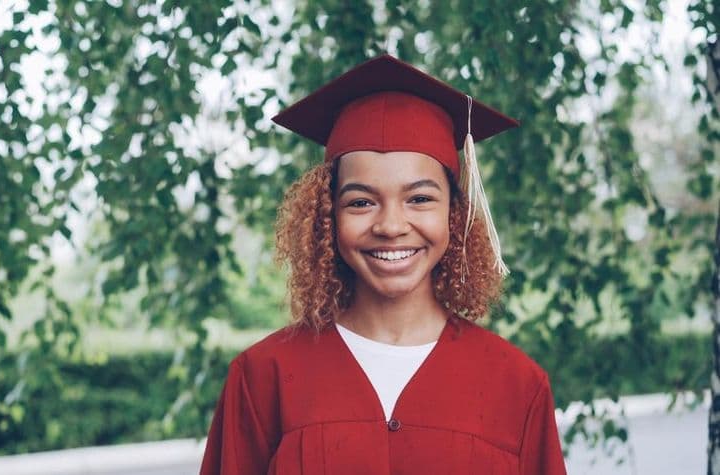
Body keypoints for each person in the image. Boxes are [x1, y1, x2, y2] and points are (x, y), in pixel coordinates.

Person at [199, 54, 567, 475]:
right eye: (361, 202)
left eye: (420, 199)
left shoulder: (516, 385)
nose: (391, 226)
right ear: (327, 217)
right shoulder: (263, 378)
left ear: (454, 214)